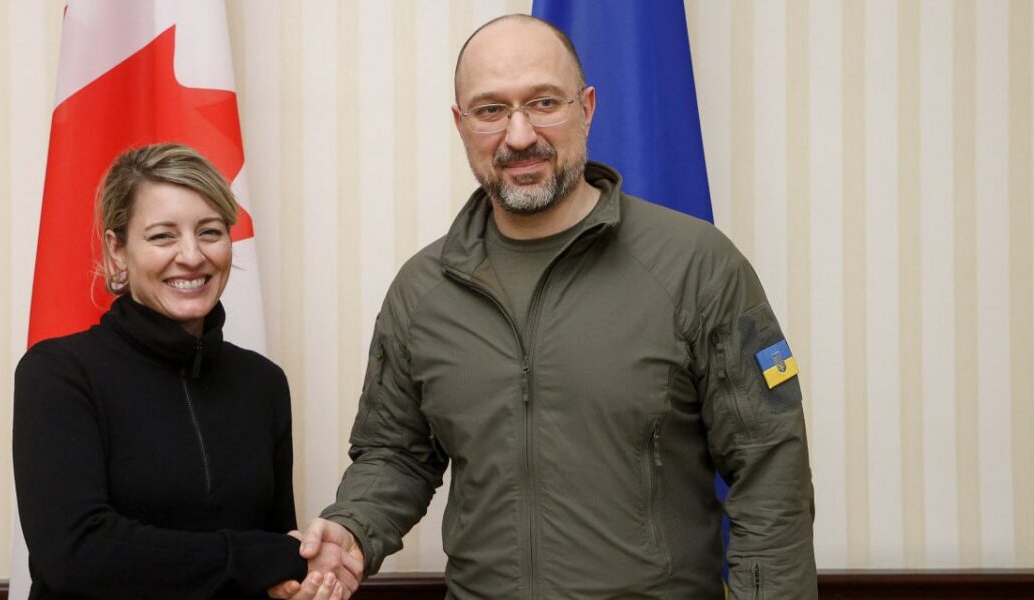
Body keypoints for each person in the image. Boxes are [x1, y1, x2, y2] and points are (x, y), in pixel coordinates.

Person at [286, 14, 817, 600]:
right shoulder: (421, 290)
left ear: (586, 107)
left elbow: (770, 468)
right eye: (491, 110)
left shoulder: (698, 266)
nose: (519, 136)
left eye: (543, 102)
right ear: (460, 125)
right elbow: (394, 455)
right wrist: (356, 527)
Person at [13, 143, 360, 599]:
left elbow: (275, 557)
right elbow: (76, 555)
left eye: (210, 232)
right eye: (163, 236)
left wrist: (308, 581)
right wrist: (256, 557)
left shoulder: (263, 383)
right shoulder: (58, 374)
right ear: (117, 251)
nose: (192, 256)